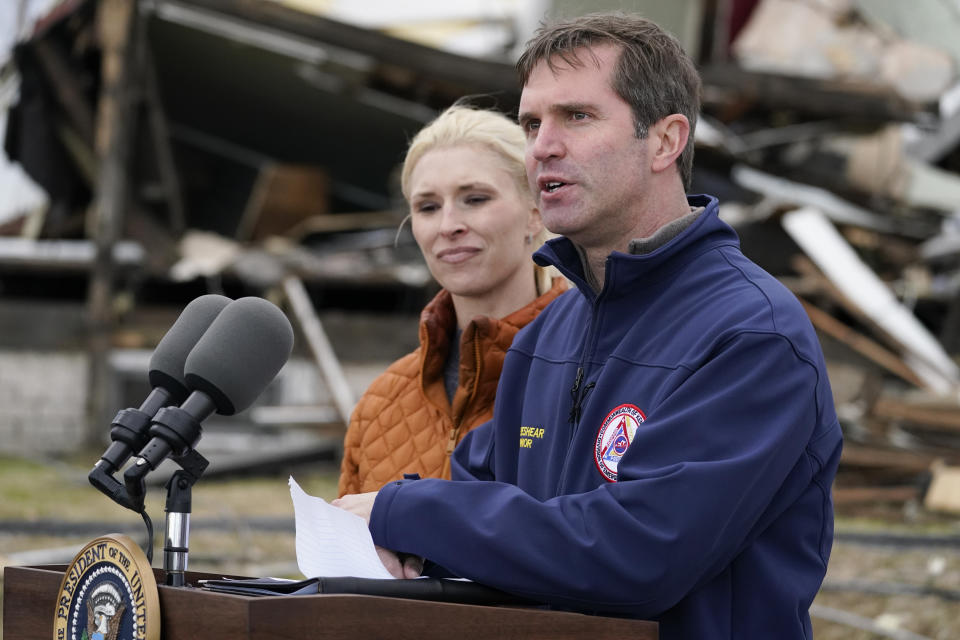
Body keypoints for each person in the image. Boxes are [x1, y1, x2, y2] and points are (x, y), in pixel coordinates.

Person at [334, 13, 842, 639]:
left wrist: (408, 512)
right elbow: (475, 501)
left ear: (664, 141)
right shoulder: (549, 336)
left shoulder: (751, 334)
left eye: (576, 116)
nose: (543, 146)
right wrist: (404, 538)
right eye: (531, 124)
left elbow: (639, 555)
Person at [337, 104, 567, 496]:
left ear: (535, 213)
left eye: (475, 199)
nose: (448, 226)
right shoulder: (381, 403)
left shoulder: (584, 377)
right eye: (427, 207)